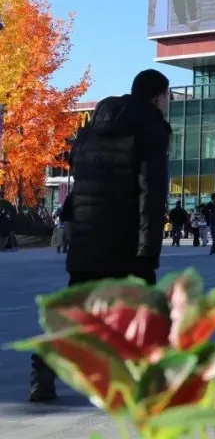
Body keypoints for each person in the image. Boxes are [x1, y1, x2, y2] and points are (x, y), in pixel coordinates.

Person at [29, 69, 171, 402]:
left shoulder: (91, 130)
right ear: (159, 97)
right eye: (166, 98)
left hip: (88, 237)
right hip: (125, 238)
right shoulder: (150, 128)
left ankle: (45, 366)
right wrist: (148, 249)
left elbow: (79, 185)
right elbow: (150, 192)